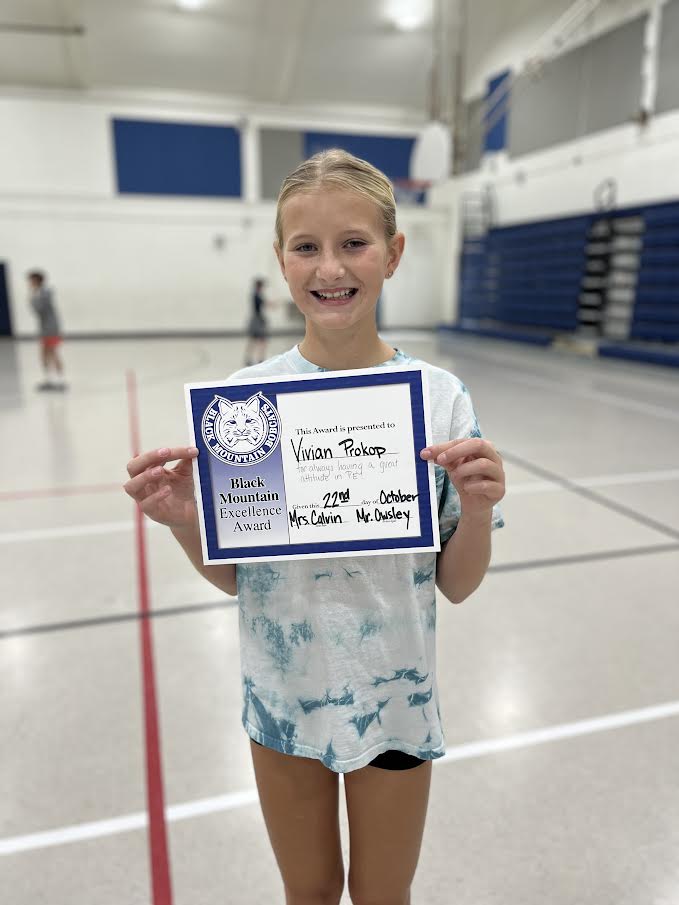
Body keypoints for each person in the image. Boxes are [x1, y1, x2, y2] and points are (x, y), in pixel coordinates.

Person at [124, 149, 506, 905]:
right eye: (306, 246)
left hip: (395, 699)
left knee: (383, 895)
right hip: (282, 696)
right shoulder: (245, 405)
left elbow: (458, 585)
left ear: (393, 253)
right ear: (281, 260)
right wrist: (183, 522)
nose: (330, 267)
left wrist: (478, 509)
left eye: (353, 243)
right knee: (308, 892)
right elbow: (238, 579)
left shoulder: (438, 399)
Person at [27, 270, 66, 391]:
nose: (29, 283)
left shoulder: (45, 292)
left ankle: (61, 380)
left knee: (53, 353)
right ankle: (48, 379)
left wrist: (32, 298)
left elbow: (39, 309)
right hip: (44, 328)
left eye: (31, 280)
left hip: (51, 328)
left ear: (36, 280)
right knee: (43, 354)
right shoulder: (39, 293)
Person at [244, 277, 269, 366]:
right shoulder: (256, 295)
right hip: (257, 320)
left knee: (254, 340)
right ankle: (259, 359)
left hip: (256, 320)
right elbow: (265, 304)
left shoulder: (256, 295)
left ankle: (251, 358)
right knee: (260, 340)